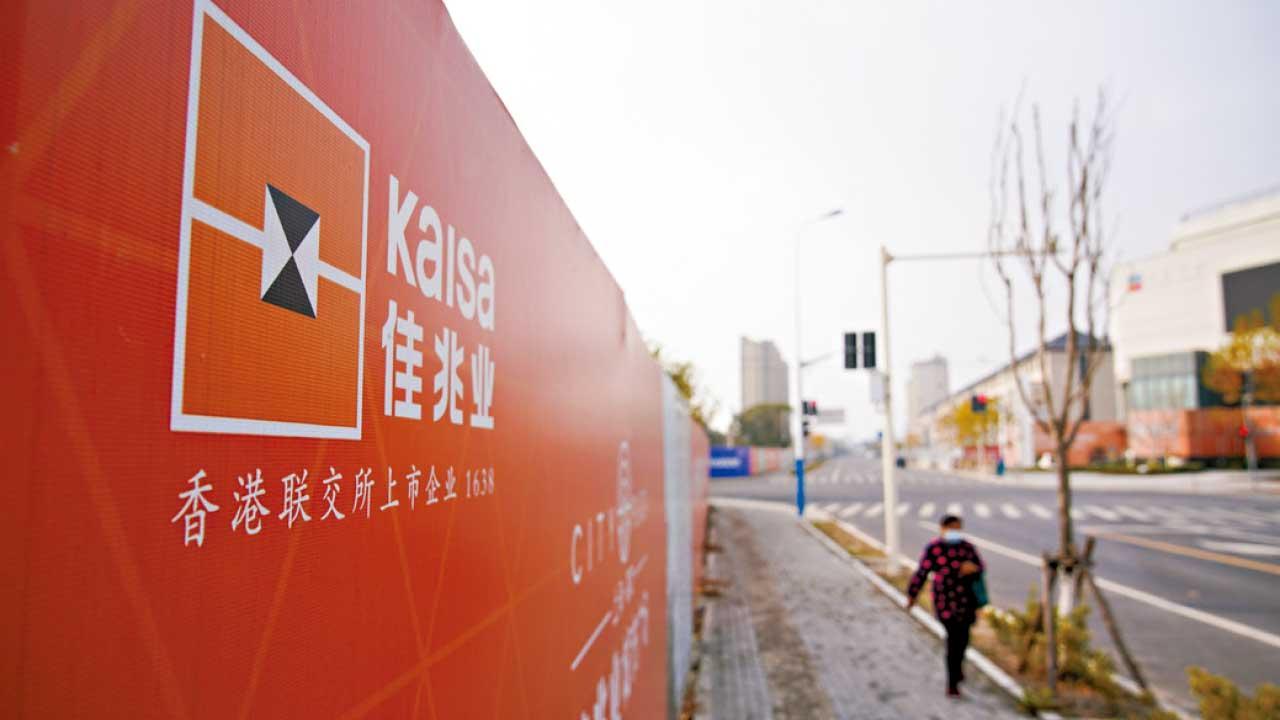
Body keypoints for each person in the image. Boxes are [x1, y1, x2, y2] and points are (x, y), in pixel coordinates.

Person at [904, 514, 985, 698]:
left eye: (958, 528)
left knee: (963, 640)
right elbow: (922, 572)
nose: (955, 532)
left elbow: (981, 567)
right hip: (945, 601)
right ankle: (952, 683)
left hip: (966, 602)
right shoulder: (934, 548)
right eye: (951, 528)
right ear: (942, 528)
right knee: (953, 641)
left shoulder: (967, 547)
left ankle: (958, 668)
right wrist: (912, 595)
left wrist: (973, 569)